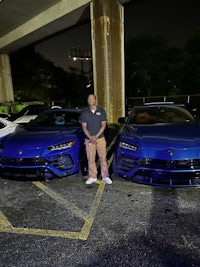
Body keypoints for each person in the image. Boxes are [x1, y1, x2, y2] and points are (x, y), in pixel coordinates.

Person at [80, 94, 112, 185]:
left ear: (95, 100)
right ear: (87, 101)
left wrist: (96, 136)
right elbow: (84, 127)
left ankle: (105, 176)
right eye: (89, 98)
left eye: (92, 98)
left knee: (103, 158)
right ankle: (93, 176)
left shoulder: (101, 111)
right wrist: (90, 137)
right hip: (89, 140)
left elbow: (103, 125)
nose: (90, 100)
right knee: (91, 159)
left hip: (100, 138)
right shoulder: (85, 113)